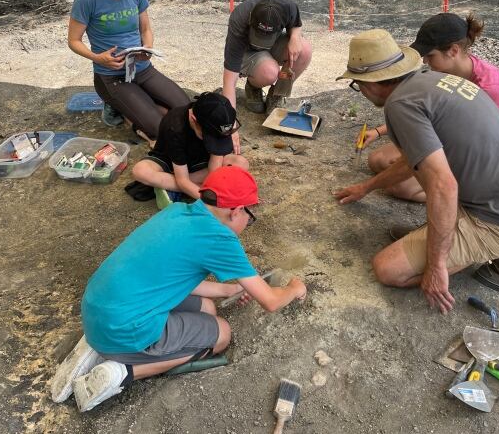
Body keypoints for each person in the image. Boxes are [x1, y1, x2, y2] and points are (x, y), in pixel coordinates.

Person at [49, 166, 308, 412]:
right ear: (236, 210)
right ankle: (122, 372)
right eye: (249, 217)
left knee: (208, 307)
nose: (247, 224)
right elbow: (271, 301)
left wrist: (226, 291)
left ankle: (99, 347)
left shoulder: (177, 212)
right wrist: (295, 288)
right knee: (222, 335)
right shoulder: (220, 238)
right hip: (125, 329)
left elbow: (174, 275)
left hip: (99, 309)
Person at [332, 29, 499, 311]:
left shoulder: (400, 105)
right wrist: (366, 187)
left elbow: (443, 186)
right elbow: (414, 161)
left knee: (388, 269)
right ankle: (446, 239)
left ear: (369, 84)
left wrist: (436, 267)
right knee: (416, 189)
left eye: (356, 84)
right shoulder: (432, 81)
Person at [362, 13, 499, 203]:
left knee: (399, 185)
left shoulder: (490, 87)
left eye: (430, 55)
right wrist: (378, 132)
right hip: (448, 133)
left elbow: (467, 140)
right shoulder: (447, 71)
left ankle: (461, 197)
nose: (425, 62)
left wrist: (408, 166)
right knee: (378, 159)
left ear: (453, 50)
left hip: (479, 153)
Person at [68, 0, 189, 143]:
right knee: (160, 128)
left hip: (142, 68)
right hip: (111, 76)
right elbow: (74, 41)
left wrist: (148, 48)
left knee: (186, 108)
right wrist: (98, 58)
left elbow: (146, 29)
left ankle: (133, 104)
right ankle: (118, 107)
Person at [131, 92, 249, 208]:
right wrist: (212, 202)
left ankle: (169, 186)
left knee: (241, 163)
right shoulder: (174, 126)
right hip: (171, 160)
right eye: (207, 137)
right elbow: (183, 180)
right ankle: (182, 187)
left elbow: (215, 165)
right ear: (193, 119)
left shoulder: (218, 118)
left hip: (201, 162)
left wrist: (215, 187)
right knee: (140, 171)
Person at [221, 0, 312, 145]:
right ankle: (253, 86)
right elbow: (229, 82)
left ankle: (276, 95)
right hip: (248, 52)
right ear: (251, 21)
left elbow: (296, 24)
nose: (262, 40)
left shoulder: (287, 7)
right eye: (259, 35)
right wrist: (229, 126)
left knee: (305, 50)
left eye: (265, 36)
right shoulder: (240, 18)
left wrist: (295, 38)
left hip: (274, 44)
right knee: (269, 72)